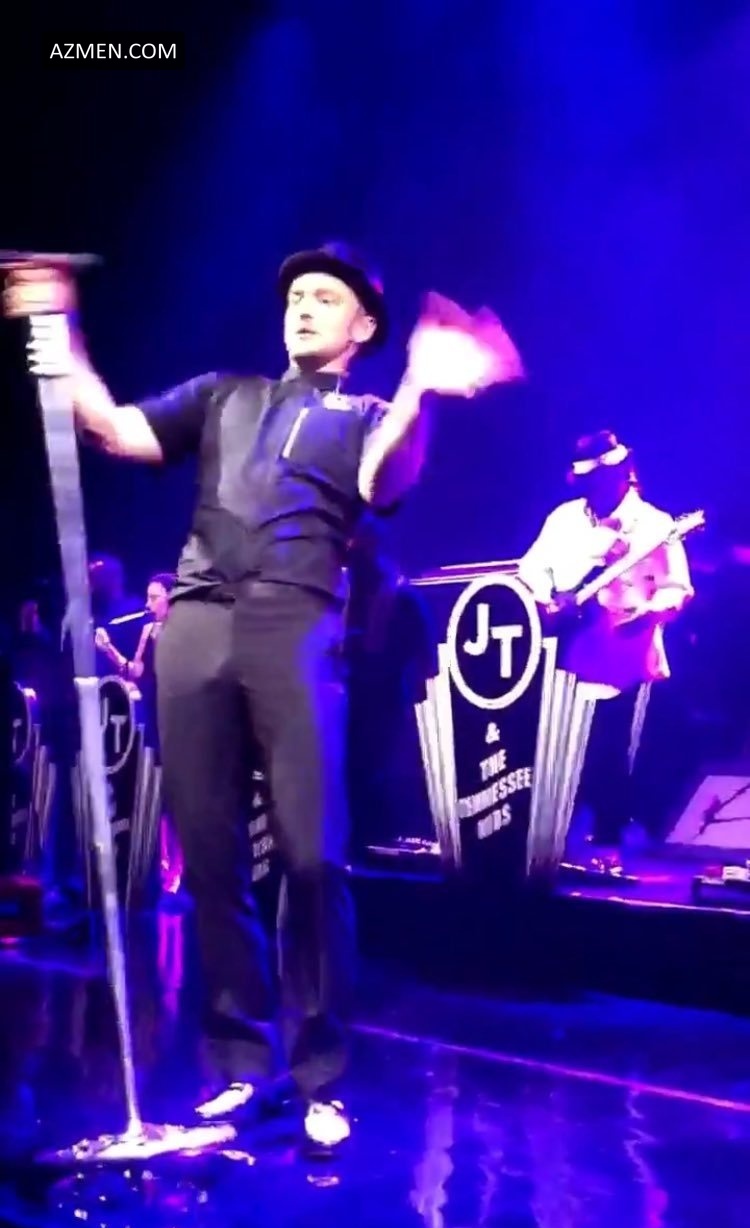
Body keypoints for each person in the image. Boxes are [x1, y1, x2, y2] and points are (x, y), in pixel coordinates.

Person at [4, 242, 523, 1149]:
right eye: (295, 296)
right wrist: (59, 328)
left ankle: (321, 1075)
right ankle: (242, 1063)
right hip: (197, 623)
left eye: (325, 297)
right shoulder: (225, 395)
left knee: (312, 857)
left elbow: (384, 483)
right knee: (210, 858)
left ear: (364, 325)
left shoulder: (370, 413)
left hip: (297, 624)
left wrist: (419, 387)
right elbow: (116, 430)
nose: (304, 307)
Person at [517, 430, 694, 868]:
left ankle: (614, 849)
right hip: (572, 662)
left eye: (604, 475)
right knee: (568, 757)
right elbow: (532, 567)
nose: (596, 484)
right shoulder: (564, 519)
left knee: (620, 759)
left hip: (629, 663)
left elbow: (679, 589)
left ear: (622, 473)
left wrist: (647, 615)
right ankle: (565, 849)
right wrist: (545, 600)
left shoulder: (655, 525)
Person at [95, 573, 181, 896]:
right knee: (156, 794)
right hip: (155, 720)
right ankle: (161, 871)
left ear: (171, 597)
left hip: (181, 722)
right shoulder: (148, 629)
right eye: (147, 597)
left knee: (178, 800)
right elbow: (137, 671)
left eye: (154, 597)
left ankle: (180, 872)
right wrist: (109, 650)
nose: (147, 604)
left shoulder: (185, 633)